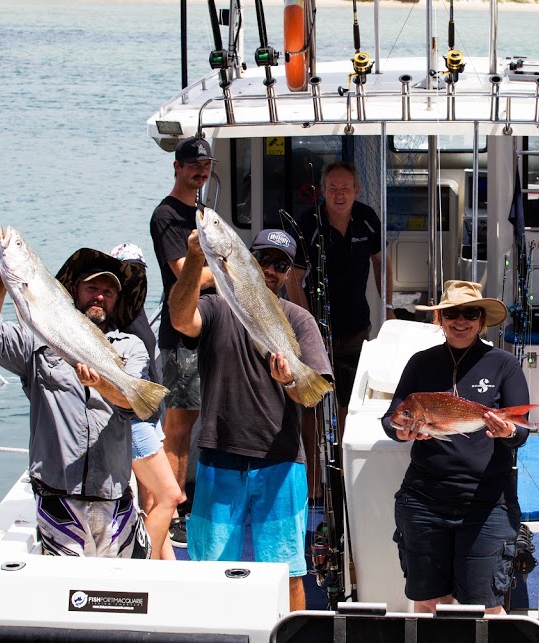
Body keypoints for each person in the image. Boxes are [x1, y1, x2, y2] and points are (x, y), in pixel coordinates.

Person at [170, 228, 332, 610]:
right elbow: (181, 320)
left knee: (288, 571)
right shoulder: (216, 305)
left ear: (289, 272)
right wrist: (194, 259)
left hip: (280, 462)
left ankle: (294, 636)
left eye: (281, 264)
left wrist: (290, 378)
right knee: (209, 567)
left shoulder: (300, 319)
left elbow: (308, 396)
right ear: (246, 261)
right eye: (263, 260)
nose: (271, 270)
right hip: (218, 455)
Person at [0, 248, 152, 558]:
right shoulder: (37, 339)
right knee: (68, 589)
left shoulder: (131, 348)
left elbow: (135, 405)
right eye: (92, 288)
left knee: (116, 591)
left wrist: (100, 383)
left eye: (108, 291)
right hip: (58, 496)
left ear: (117, 300)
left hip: (113, 496)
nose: (99, 296)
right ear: (74, 291)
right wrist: (2, 279)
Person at [381, 280, 528, 614]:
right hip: (423, 501)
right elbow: (391, 419)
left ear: (482, 320)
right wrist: (402, 432)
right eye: (452, 313)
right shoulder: (420, 362)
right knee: (430, 604)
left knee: (486, 607)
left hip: (487, 504)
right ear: (440, 319)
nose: (460, 321)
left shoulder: (504, 364)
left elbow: (521, 434)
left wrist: (506, 431)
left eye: (470, 313)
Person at [286, 160, 396, 418]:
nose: (339, 194)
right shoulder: (308, 224)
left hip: (357, 327)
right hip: (316, 330)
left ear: (356, 189)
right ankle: (312, 461)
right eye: (332, 187)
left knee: (351, 402)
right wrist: (308, 326)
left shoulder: (367, 218)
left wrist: (387, 306)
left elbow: (381, 261)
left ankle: (345, 459)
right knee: (310, 403)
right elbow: (293, 278)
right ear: (323, 191)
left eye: (345, 188)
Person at [150, 135, 217, 546]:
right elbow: (183, 272)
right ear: (176, 166)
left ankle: (184, 501)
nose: (200, 171)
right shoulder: (167, 216)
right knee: (178, 425)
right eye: (192, 164)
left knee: (196, 417)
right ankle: (170, 508)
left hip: (208, 326)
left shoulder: (202, 212)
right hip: (180, 331)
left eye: (205, 165)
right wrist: (230, 271)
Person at [107, 243, 186, 561]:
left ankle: (168, 571)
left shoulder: (135, 311)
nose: (134, 278)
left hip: (151, 415)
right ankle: (142, 568)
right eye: (126, 272)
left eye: (139, 271)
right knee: (170, 495)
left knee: (153, 502)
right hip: (134, 419)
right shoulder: (114, 319)